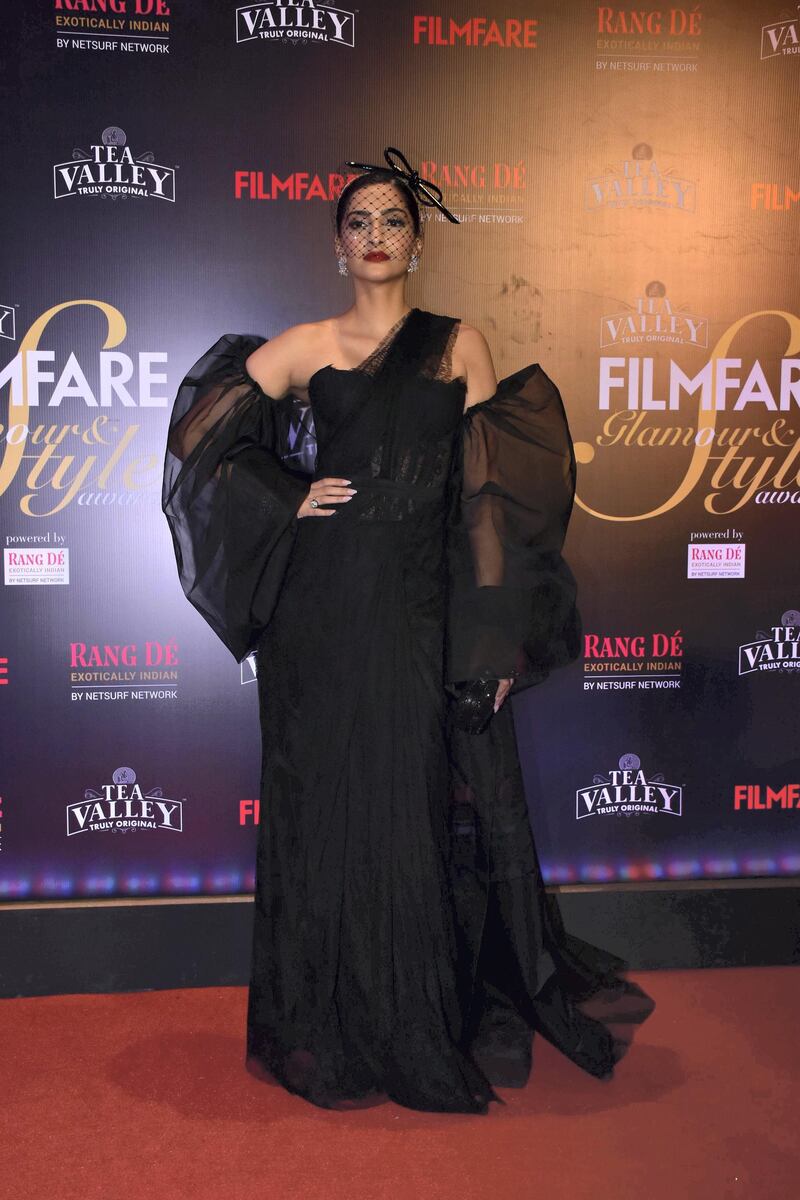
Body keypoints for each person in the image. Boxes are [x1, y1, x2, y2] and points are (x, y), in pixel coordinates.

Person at [162, 148, 655, 1115]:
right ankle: (329, 1021)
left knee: (417, 810)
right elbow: (197, 437)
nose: (377, 236)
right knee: (328, 809)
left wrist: (494, 634)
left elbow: (490, 502)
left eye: (394, 221)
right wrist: (284, 497)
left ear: (417, 241)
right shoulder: (305, 345)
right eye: (361, 223)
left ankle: (419, 1018)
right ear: (338, 244)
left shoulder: (459, 341)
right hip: (326, 613)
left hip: (422, 605)